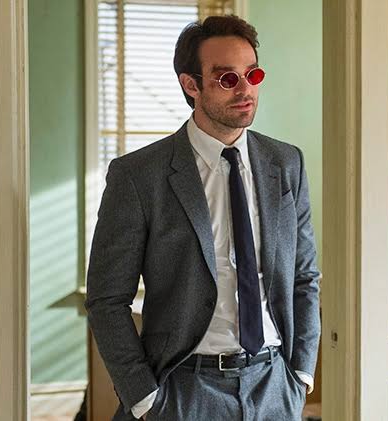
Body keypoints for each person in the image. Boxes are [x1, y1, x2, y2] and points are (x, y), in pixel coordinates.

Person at [84, 14, 321, 421]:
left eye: (253, 74)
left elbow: (304, 276)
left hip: (274, 387)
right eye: (227, 78)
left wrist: (300, 374)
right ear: (191, 85)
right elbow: (107, 299)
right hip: (183, 392)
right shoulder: (139, 176)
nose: (246, 89)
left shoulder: (286, 163)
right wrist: (144, 398)